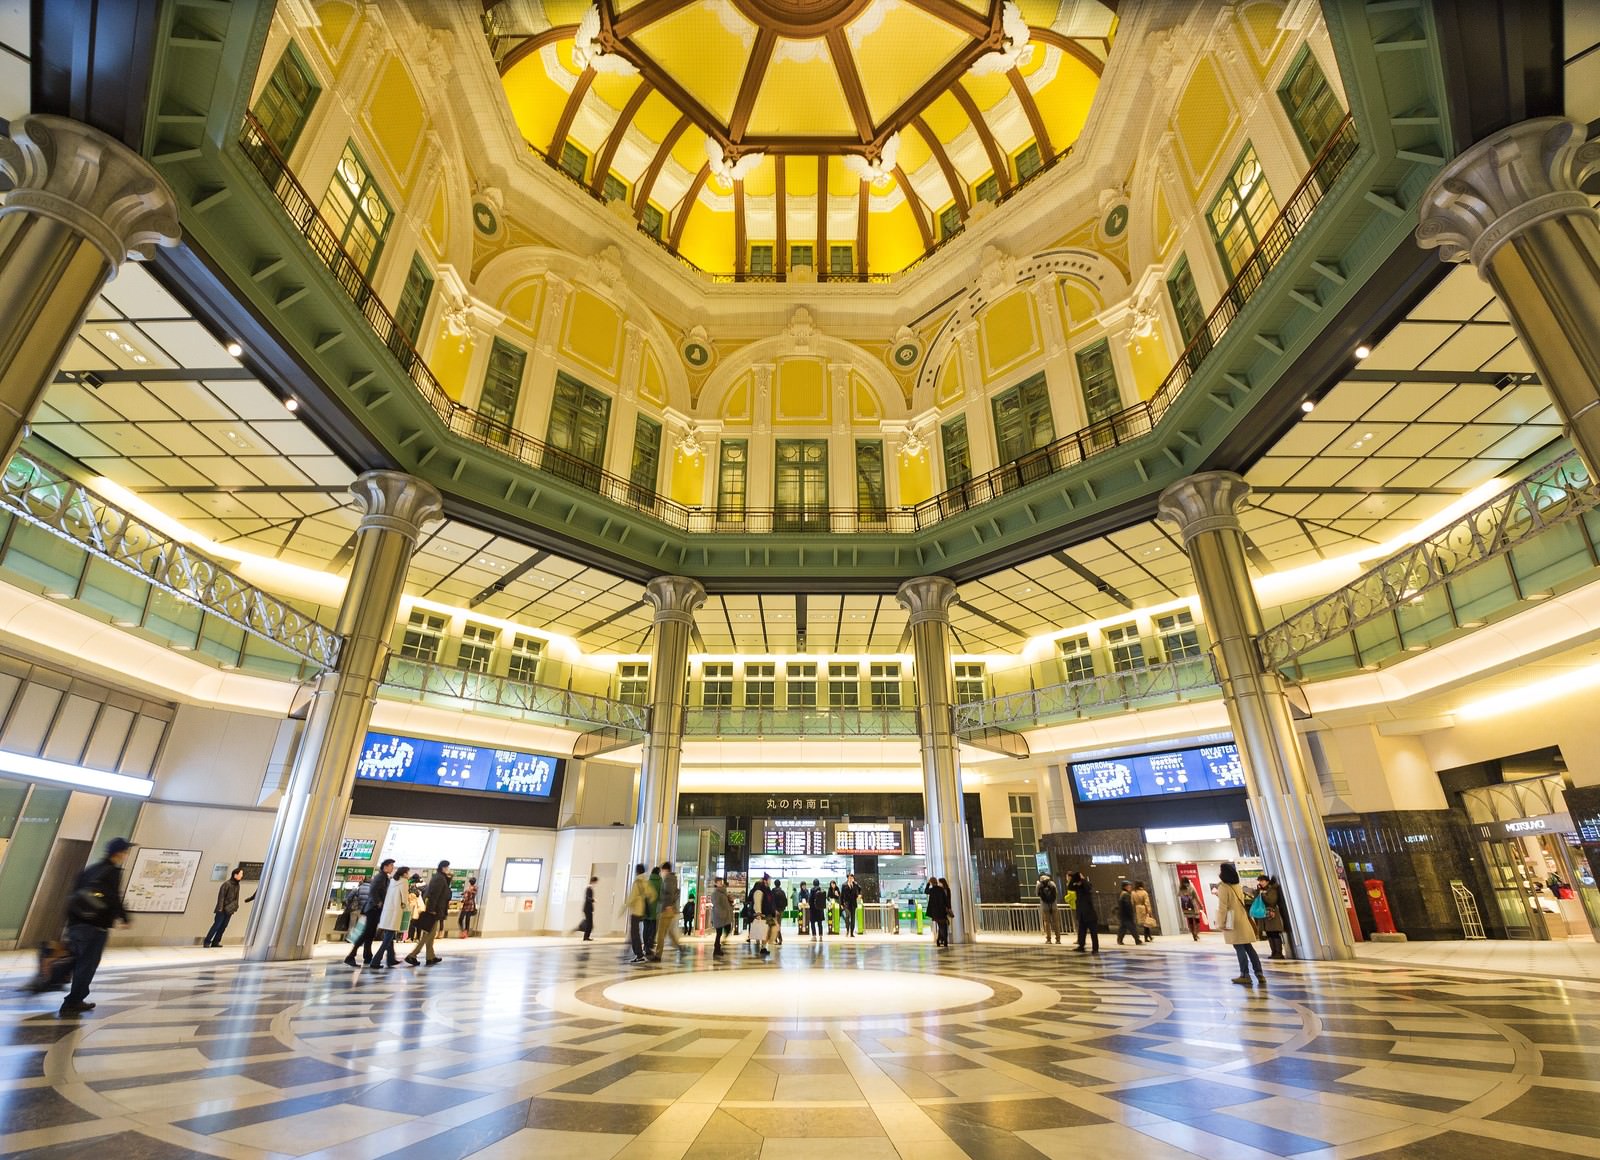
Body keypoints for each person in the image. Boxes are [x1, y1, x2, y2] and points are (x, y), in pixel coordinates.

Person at [58, 836, 132, 1016]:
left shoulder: (91, 869)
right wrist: (124, 918)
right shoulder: (112, 872)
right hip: (95, 926)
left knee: (74, 959)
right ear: (118, 853)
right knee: (87, 964)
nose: (126, 855)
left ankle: (54, 983)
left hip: (77, 923)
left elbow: (75, 892)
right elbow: (114, 897)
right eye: (125, 852)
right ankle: (73, 1001)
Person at [1215, 863, 1265, 985]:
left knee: (1239, 947)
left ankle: (1244, 974)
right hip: (1242, 918)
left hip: (1232, 919)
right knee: (1248, 947)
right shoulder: (1237, 885)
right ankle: (1259, 973)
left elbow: (1223, 907)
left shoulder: (1223, 887)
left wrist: (1220, 922)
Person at [346, 858, 394, 967]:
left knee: (370, 933)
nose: (392, 868)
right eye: (391, 865)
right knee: (367, 933)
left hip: (374, 909)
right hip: (373, 909)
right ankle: (350, 956)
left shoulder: (384, 878)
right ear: (385, 867)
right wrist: (378, 902)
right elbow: (373, 891)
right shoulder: (380, 877)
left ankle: (368, 957)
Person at [406, 860, 451, 966]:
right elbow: (434, 894)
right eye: (447, 867)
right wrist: (431, 909)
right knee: (427, 934)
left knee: (430, 935)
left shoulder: (440, 877)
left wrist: (449, 878)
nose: (449, 869)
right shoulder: (439, 878)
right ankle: (412, 955)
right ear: (444, 868)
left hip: (435, 910)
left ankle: (430, 956)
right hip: (433, 911)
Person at [202, 866, 256, 948]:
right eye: (241, 874)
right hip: (222, 909)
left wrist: (235, 907)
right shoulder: (226, 884)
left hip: (229, 909)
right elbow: (221, 897)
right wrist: (220, 908)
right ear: (235, 875)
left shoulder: (237, 885)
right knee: (216, 925)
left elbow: (236, 897)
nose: (242, 875)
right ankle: (207, 941)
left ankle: (216, 942)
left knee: (223, 926)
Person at [372, 864, 408, 970]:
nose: (408, 874)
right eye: (407, 872)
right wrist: (406, 907)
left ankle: (391, 959)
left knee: (389, 937)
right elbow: (404, 898)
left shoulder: (393, 881)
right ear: (404, 873)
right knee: (387, 939)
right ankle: (376, 960)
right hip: (395, 912)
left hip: (388, 912)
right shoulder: (404, 882)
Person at [622, 863, 656, 964]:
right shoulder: (646, 881)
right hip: (642, 911)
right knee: (635, 932)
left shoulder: (637, 882)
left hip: (636, 911)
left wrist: (624, 907)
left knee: (634, 933)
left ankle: (639, 954)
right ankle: (639, 953)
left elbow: (632, 898)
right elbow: (653, 894)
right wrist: (645, 900)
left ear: (637, 871)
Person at [655, 862, 684, 957]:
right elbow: (676, 892)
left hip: (667, 909)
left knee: (661, 933)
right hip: (670, 909)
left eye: (662, 870)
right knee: (669, 931)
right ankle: (679, 947)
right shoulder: (673, 879)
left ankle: (658, 955)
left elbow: (669, 893)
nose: (661, 873)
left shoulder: (668, 879)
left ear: (665, 870)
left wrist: (668, 905)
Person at [1255, 874, 1287, 960]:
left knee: (1274, 933)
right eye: (1259, 881)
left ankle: (1279, 953)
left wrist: (1263, 894)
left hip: (1272, 915)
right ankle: (1273, 952)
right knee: (1269, 934)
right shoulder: (1262, 890)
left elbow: (1271, 901)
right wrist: (1258, 892)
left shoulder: (1272, 890)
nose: (1261, 883)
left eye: (1262, 881)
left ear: (1267, 881)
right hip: (1265, 915)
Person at [1070, 871, 1099, 954]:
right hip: (1082, 915)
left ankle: (1095, 949)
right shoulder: (1077, 889)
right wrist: (1074, 878)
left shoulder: (1086, 888)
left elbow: (1088, 887)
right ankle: (1081, 946)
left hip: (1090, 915)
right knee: (1081, 932)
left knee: (1093, 933)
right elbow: (1070, 887)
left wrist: (1083, 879)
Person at [926, 876, 951, 947]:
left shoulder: (931, 890)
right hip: (942, 911)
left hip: (935, 912)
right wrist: (948, 908)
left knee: (941, 926)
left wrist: (928, 884)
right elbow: (945, 900)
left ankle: (940, 940)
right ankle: (943, 940)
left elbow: (925, 891)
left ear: (931, 883)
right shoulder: (941, 889)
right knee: (943, 925)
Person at [710, 877, 733, 957]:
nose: (720, 883)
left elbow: (726, 903)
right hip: (719, 916)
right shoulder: (715, 893)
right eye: (719, 882)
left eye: (721, 882)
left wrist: (730, 900)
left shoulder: (724, 892)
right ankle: (717, 949)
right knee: (719, 933)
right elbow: (717, 905)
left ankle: (718, 948)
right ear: (716, 883)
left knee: (727, 929)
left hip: (725, 915)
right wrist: (722, 914)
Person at [1036, 873, 1060, 944]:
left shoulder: (1039, 885)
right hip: (1054, 906)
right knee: (1056, 922)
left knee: (1047, 923)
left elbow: (1037, 894)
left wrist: (1037, 885)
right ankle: (1058, 939)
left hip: (1045, 907)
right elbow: (1056, 893)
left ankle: (1048, 939)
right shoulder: (1052, 884)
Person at [644, 866, 663, 957]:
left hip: (646, 909)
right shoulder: (660, 881)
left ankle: (645, 946)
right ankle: (649, 946)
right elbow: (661, 896)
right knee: (653, 929)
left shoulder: (648, 881)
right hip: (654, 910)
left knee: (646, 928)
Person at [578, 876, 597, 941]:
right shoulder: (589, 888)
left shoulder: (589, 888)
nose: (595, 884)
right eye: (595, 882)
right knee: (589, 924)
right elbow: (587, 898)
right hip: (587, 909)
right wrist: (593, 900)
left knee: (589, 923)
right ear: (593, 881)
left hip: (588, 909)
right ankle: (586, 937)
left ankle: (586, 937)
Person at [770, 879, 787, 945]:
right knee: (778, 925)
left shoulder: (773, 891)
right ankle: (777, 939)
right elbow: (786, 902)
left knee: (775, 925)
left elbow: (771, 901)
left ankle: (778, 939)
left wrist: (774, 909)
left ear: (774, 884)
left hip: (775, 911)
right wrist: (782, 909)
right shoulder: (782, 892)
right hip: (781, 910)